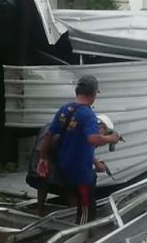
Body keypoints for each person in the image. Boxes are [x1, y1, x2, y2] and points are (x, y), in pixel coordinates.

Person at [38, 75, 120, 224]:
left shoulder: (65, 109)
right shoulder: (88, 115)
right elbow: (92, 139)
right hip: (80, 171)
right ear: (94, 93)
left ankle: (80, 231)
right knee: (86, 209)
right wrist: (111, 138)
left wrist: (42, 159)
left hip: (64, 165)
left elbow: (49, 134)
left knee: (82, 203)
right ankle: (82, 235)